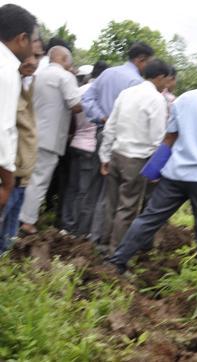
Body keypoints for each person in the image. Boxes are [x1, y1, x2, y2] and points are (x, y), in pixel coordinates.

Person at [108, 61, 197, 282]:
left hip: (175, 175)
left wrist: (154, 171)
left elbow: (169, 139)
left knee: (148, 219)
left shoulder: (184, 99)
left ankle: (117, 262)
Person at [81, 42, 154, 246]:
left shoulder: (108, 73)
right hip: (120, 143)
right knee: (111, 195)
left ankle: (85, 233)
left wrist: (101, 117)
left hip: (100, 133)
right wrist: (110, 120)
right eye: (148, 63)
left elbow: (87, 97)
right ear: (140, 60)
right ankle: (99, 239)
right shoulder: (137, 83)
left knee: (94, 189)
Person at [99, 59, 172, 252]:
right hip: (136, 160)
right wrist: (157, 169)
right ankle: (116, 254)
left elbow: (110, 126)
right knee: (128, 208)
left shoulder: (126, 93)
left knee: (111, 203)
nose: (167, 85)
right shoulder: (156, 100)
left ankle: (103, 244)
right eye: (167, 80)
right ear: (160, 77)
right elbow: (158, 139)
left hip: (116, 154)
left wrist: (105, 156)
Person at [18, 46, 81, 235]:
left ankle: (17, 216)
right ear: (63, 58)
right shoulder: (65, 77)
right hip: (52, 137)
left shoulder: (39, 74)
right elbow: (75, 105)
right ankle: (27, 222)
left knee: (26, 178)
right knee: (40, 181)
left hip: (32, 133)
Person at [0, 37, 43, 251]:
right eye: (30, 55)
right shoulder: (7, 80)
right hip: (8, 174)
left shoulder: (29, 83)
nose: (33, 62)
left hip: (21, 174)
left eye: (38, 56)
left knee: (8, 236)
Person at [60, 61, 109, 237]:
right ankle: (78, 231)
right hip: (90, 147)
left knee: (71, 188)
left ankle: (65, 225)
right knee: (85, 191)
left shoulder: (79, 91)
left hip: (75, 143)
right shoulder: (102, 96)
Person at [0, 3, 37, 214]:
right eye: (31, 41)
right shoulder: (6, 70)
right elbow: (2, 130)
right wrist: (7, 183)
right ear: (21, 38)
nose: (32, 48)